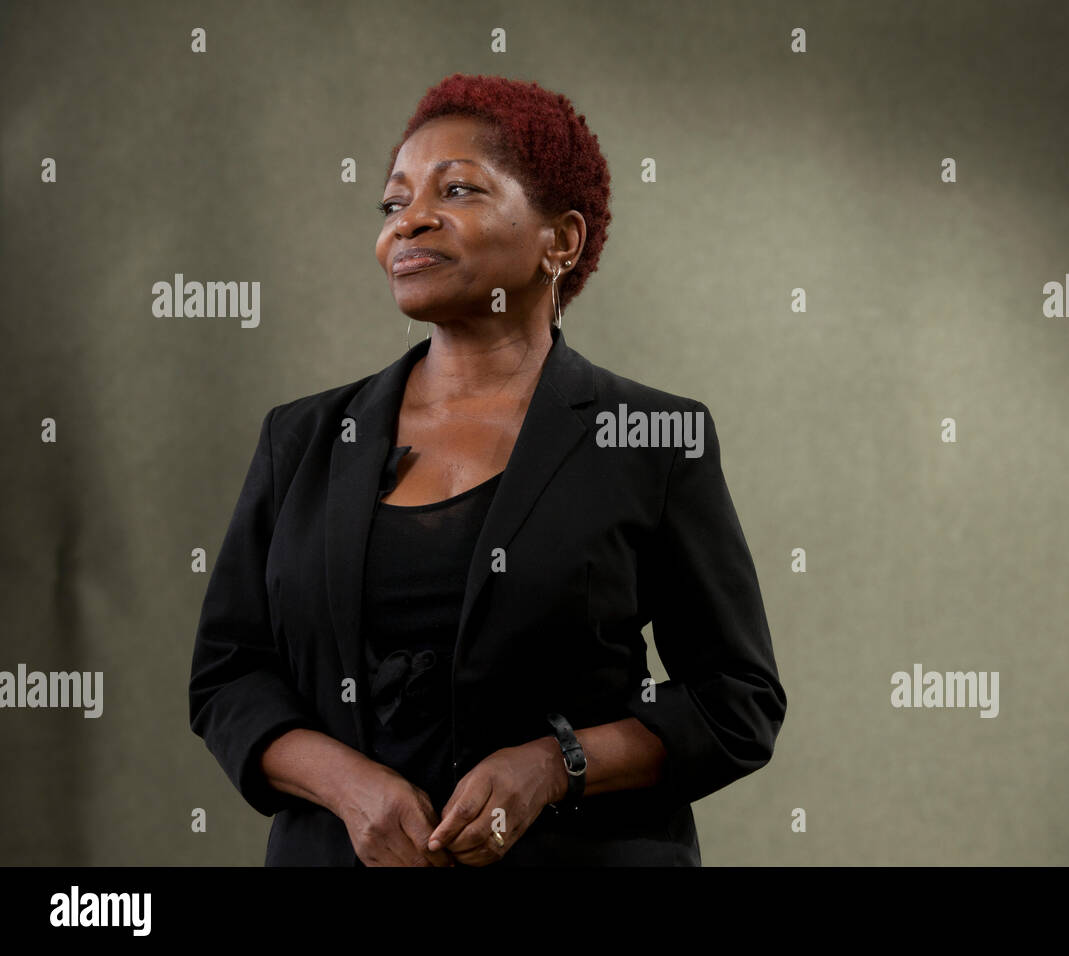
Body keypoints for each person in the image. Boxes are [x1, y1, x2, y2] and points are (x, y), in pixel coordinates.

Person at [188, 73, 786, 867]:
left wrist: (553, 765)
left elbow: (734, 702)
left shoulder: (649, 438)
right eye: (394, 204)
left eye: (458, 189)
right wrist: (348, 788)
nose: (412, 221)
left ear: (560, 241)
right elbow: (229, 677)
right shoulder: (301, 440)